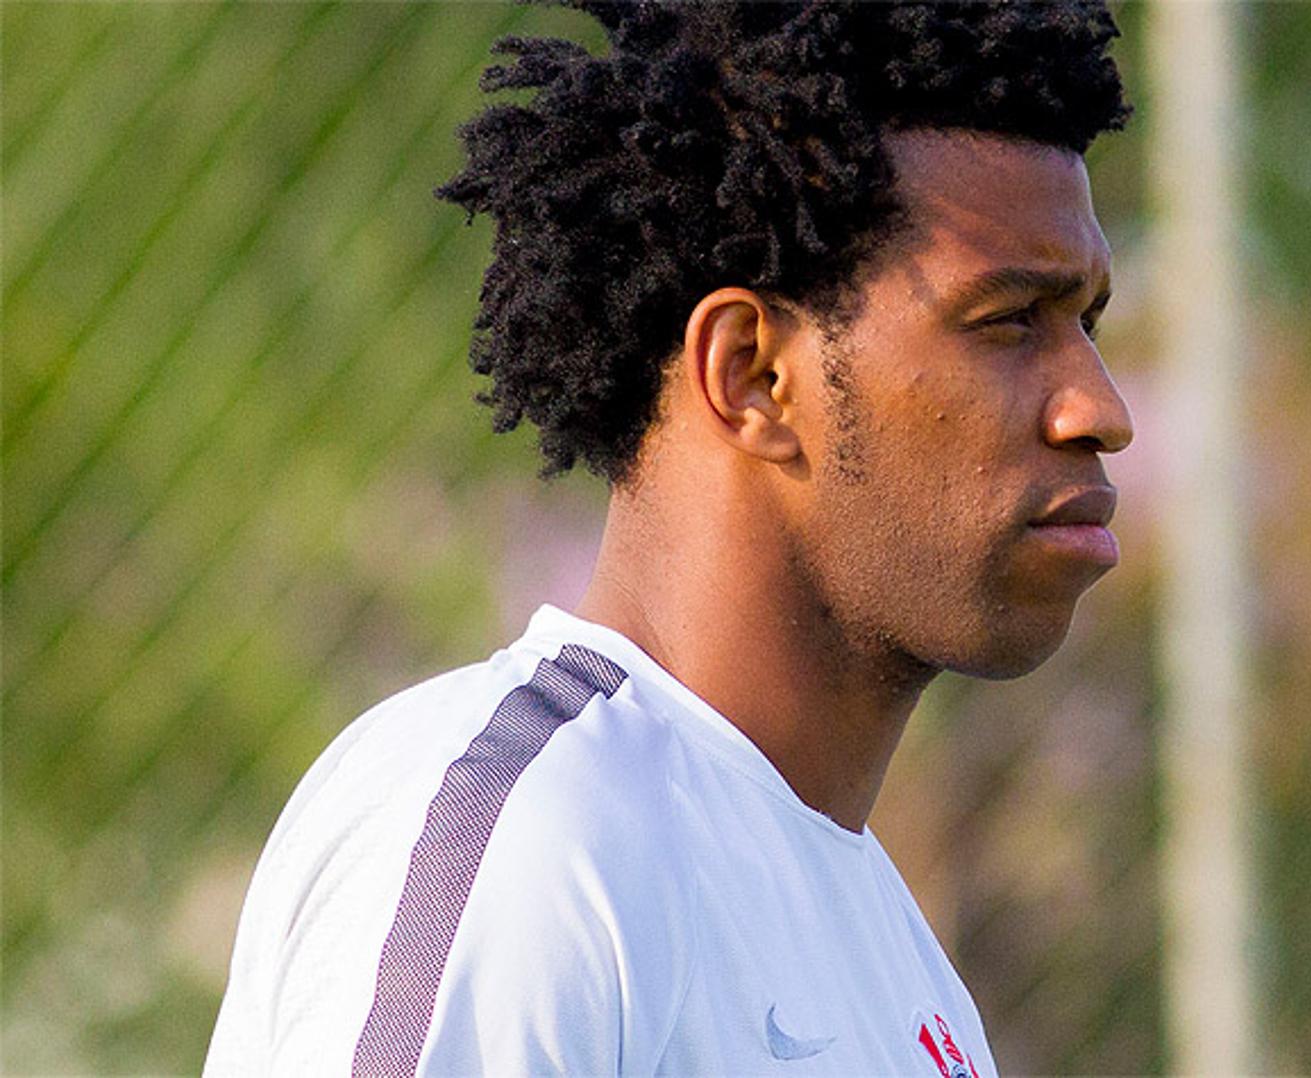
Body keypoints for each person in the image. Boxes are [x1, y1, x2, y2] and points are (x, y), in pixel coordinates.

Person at [206, 1, 1132, 1073]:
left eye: (1090, 324)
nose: (1097, 408)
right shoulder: (541, 843)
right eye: (1010, 321)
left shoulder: (905, 972)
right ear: (751, 375)